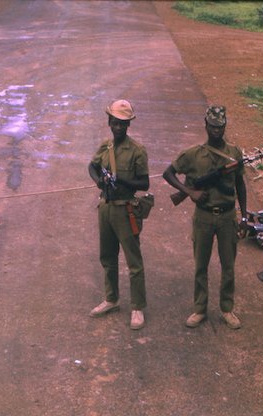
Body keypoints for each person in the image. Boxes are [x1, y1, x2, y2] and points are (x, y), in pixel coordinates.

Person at [163, 105, 247, 330]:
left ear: (225, 126)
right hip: (204, 217)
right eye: (212, 127)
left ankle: (227, 308)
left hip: (227, 215)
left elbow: (240, 184)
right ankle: (200, 309)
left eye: (220, 127)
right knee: (201, 264)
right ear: (206, 125)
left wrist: (245, 216)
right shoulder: (193, 154)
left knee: (228, 265)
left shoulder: (234, 153)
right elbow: (168, 173)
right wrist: (190, 192)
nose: (216, 131)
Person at [88, 99, 150, 330]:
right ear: (109, 122)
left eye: (122, 124)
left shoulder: (137, 151)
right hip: (106, 208)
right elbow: (92, 166)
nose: (118, 127)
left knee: (133, 261)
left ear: (128, 125)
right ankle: (111, 299)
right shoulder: (106, 147)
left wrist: (121, 179)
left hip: (126, 210)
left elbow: (144, 183)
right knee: (107, 257)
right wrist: (98, 182)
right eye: (114, 122)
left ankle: (137, 307)